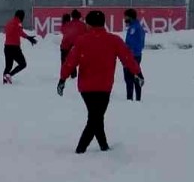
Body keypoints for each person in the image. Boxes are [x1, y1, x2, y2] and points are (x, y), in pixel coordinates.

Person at [58, 10, 145, 153]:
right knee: (95, 117)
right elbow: (128, 58)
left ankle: (103, 146)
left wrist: (62, 79)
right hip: (104, 87)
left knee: (95, 116)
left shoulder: (81, 41)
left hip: (86, 88)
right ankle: (81, 150)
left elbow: (70, 62)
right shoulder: (114, 40)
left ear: (89, 25)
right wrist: (138, 73)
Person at [2, 9, 38, 84]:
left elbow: (7, 30)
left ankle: (5, 82)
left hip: (7, 47)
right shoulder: (18, 23)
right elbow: (20, 32)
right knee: (23, 64)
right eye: (23, 17)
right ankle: (9, 75)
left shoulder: (9, 22)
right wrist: (28, 38)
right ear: (21, 16)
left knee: (8, 66)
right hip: (14, 48)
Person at [123, 8, 146, 101]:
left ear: (130, 17)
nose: (125, 19)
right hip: (135, 55)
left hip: (132, 56)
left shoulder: (134, 28)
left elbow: (133, 43)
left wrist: (128, 54)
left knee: (129, 78)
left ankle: (130, 99)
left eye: (126, 17)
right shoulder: (135, 27)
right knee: (133, 75)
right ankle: (137, 98)